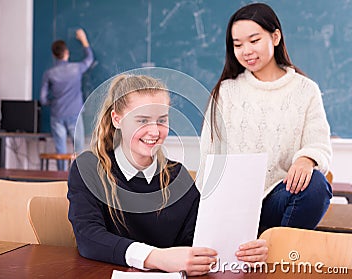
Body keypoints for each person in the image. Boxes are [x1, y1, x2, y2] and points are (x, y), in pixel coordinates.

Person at [68, 74, 267, 276]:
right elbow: (88, 236)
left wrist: (243, 250)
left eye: (162, 120)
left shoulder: (177, 176)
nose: (154, 131)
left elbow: (199, 237)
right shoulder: (89, 168)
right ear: (117, 119)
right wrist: (156, 258)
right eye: (142, 120)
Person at [198, 3, 333, 235]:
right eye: (237, 44)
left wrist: (306, 160)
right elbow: (208, 158)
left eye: (254, 40)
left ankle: (273, 247)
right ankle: (257, 243)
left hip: (277, 199)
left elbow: (318, 143)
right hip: (233, 205)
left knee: (318, 185)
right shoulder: (226, 91)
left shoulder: (305, 89)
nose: (246, 51)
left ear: (276, 37)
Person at [40, 28, 94, 170]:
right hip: (75, 113)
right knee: (79, 150)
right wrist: (83, 40)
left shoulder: (49, 73)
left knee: (60, 150)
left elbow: (43, 99)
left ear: (54, 55)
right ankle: (78, 178)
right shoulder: (76, 68)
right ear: (67, 53)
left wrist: (54, 102)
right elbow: (89, 59)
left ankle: (61, 180)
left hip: (57, 115)